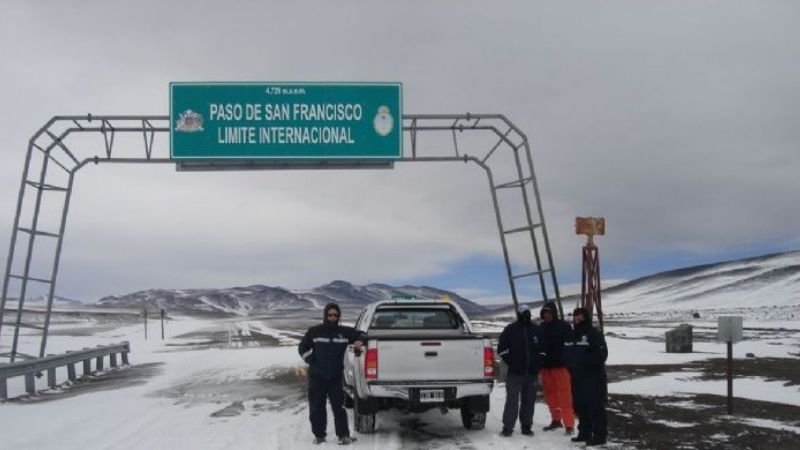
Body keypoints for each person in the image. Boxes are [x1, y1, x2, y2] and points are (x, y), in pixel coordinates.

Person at [298, 302, 367, 445]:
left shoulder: (344, 332)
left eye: (335, 315)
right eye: (330, 315)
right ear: (325, 315)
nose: (332, 317)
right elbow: (302, 347)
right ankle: (319, 436)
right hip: (317, 377)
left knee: (339, 408)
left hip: (335, 378)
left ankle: (343, 436)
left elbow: (363, 334)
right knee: (317, 408)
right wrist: (311, 359)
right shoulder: (314, 331)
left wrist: (360, 340)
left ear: (339, 316)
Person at [497, 304, 544, 437]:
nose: (525, 316)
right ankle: (508, 427)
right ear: (518, 315)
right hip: (515, 373)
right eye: (523, 314)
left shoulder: (536, 330)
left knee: (529, 400)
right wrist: (512, 362)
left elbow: (543, 350)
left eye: (527, 313)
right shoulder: (510, 330)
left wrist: (538, 364)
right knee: (512, 400)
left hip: (532, 373)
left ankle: (526, 426)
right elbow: (502, 349)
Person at [568, 307, 608, 446]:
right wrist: (570, 364)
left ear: (585, 318)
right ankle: (584, 432)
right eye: (575, 317)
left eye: (580, 317)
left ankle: (599, 436)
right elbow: (568, 352)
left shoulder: (594, 334)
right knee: (580, 406)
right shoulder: (573, 334)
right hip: (577, 377)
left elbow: (602, 355)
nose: (577, 319)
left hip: (593, 377)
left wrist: (583, 359)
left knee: (595, 406)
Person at [538, 301, 575, 435]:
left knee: (565, 396)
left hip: (560, 367)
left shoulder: (564, 327)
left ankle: (569, 425)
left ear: (554, 313)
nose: (547, 316)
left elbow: (570, 347)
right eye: (545, 313)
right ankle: (556, 420)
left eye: (549, 313)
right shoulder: (541, 327)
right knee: (550, 395)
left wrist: (568, 363)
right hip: (545, 368)